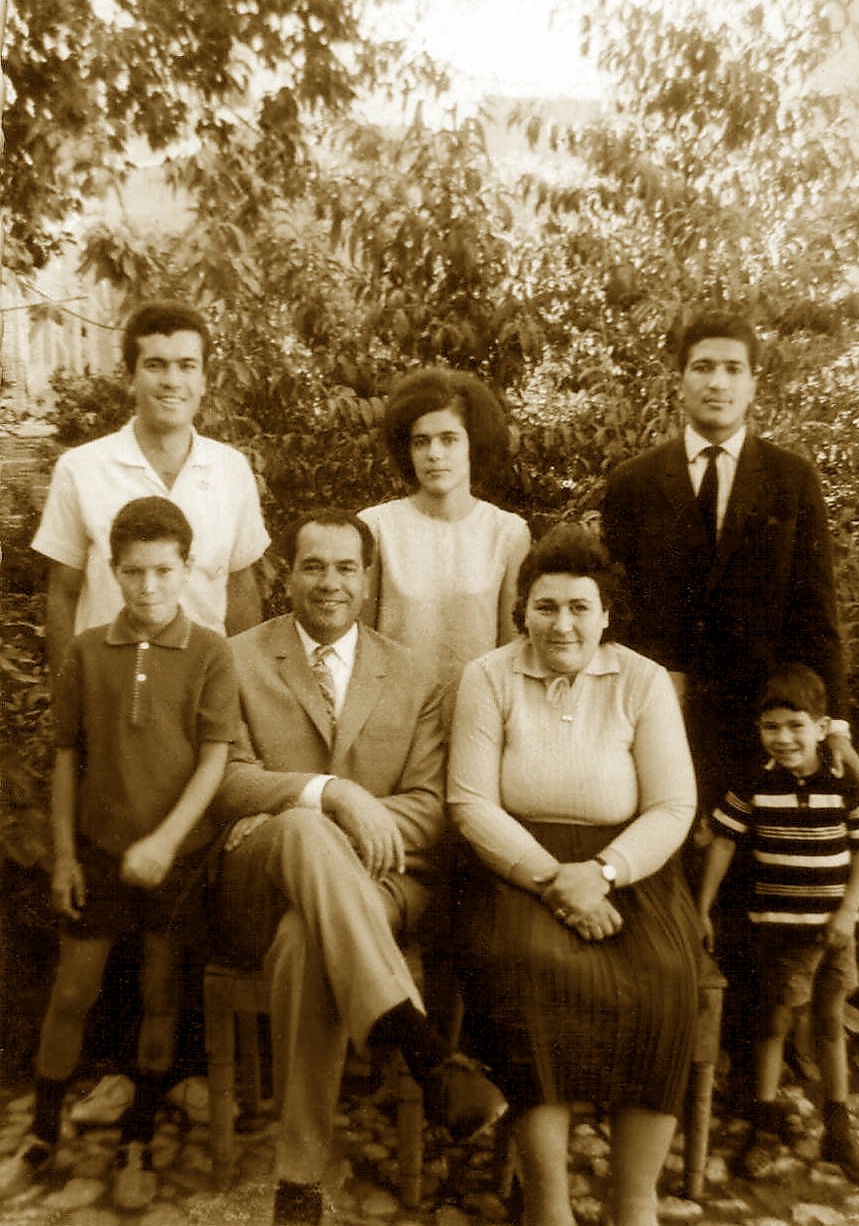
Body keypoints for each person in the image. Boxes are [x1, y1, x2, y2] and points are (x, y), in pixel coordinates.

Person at [210, 508, 506, 1225]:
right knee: (304, 828)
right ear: (287, 575)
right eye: (314, 565)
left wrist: (344, 822)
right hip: (260, 869)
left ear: (368, 579)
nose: (330, 582)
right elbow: (227, 781)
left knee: (307, 937)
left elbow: (432, 808)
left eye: (346, 567)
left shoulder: (417, 675)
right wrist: (335, 796)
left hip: (381, 884)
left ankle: (299, 1182)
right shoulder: (237, 658)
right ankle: (420, 1042)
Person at [448, 523, 701, 1226]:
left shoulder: (643, 682)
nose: (562, 625)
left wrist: (605, 870)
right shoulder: (487, 677)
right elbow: (469, 802)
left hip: (629, 872)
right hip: (515, 869)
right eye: (546, 606)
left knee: (666, 976)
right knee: (526, 966)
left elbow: (674, 803)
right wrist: (554, 879)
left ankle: (633, 1202)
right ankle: (549, 1207)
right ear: (522, 609)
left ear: (606, 613)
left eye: (579, 607)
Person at [0, 497, 240, 1209]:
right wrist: (67, 854)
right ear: (114, 569)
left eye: (163, 571)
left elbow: (215, 758)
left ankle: (138, 1137)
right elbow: (69, 755)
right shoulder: (86, 650)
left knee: (160, 993)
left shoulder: (210, 651)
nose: (148, 588)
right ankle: (43, 1132)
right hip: (102, 852)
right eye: (133, 572)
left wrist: (167, 841)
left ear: (185, 569)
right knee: (73, 991)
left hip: (180, 853)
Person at [601, 308, 859, 829]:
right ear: (678, 382)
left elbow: (817, 615)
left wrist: (833, 724)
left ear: (752, 385)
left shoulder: (791, 480)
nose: (717, 382)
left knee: (753, 880)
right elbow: (618, 612)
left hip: (763, 722)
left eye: (732, 368)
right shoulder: (634, 482)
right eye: (702, 367)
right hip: (656, 719)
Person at [697, 664, 859, 1186]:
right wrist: (703, 907)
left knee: (828, 1024)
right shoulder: (754, 784)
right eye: (771, 727)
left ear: (822, 727)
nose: (783, 738)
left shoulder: (842, 786)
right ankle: (765, 1122)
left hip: (832, 935)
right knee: (773, 1024)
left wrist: (847, 914)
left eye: (796, 725)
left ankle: (838, 1129)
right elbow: (724, 844)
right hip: (779, 933)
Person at [32, 299, 269, 673]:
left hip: (203, 695)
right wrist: (69, 700)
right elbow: (62, 594)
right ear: (131, 377)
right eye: (155, 365)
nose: (172, 381)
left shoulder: (232, 470)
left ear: (204, 379)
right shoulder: (80, 469)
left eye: (187, 366)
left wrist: (243, 696)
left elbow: (241, 592)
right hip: (109, 692)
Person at [359, 366, 530, 716]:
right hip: (391, 718)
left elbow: (511, 650)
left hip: (477, 715)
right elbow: (359, 644)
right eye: (421, 441)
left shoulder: (508, 532)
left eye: (449, 439)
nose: (434, 453)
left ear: (474, 442)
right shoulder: (376, 527)